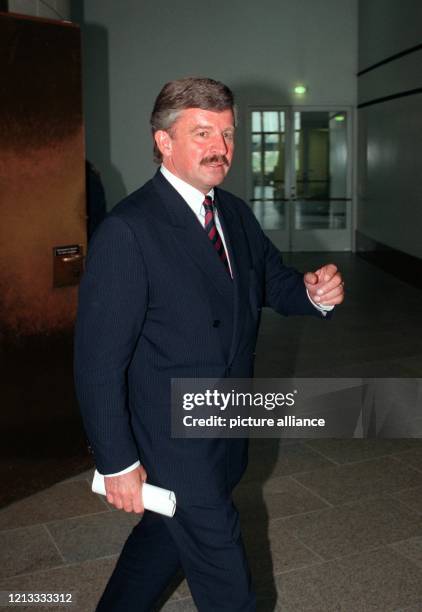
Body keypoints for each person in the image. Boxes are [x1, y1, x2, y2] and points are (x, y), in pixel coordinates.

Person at [74, 77, 344, 611]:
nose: (220, 148)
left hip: (225, 419)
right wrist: (117, 462)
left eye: (227, 133)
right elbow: (97, 362)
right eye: (202, 133)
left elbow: (270, 280)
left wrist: (313, 293)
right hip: (171, 440)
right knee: (227, 579)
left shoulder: (233, 214)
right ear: (163, 142)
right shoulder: (129, 231)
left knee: (163, 542)